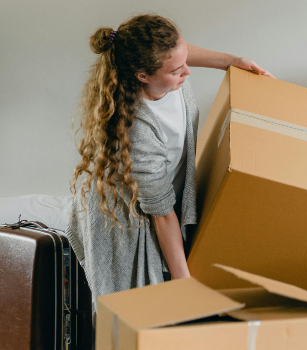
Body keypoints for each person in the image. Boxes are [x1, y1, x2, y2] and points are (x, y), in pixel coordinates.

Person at [66, 14, 273, 306]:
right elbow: (162, 214)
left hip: (160, 203)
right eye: (177, 70)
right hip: (125, 221)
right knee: (141, 312)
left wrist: (235, 60)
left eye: (184, 60)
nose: (187, 72)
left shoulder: (168, 76)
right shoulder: (137, 128)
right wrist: (183, 284)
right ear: (143, 76)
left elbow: (180, 52)